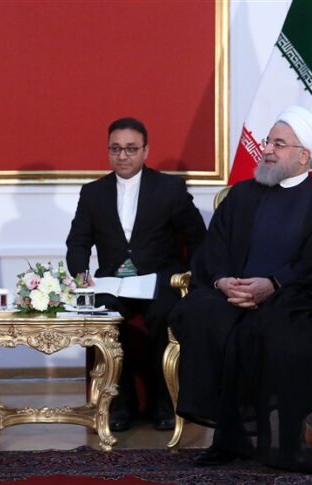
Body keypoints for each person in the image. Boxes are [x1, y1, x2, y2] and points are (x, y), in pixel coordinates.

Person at [170, 106, 312, 472]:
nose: (267, 149)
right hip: (235, 293)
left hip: (292, 296)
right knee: (197, 313)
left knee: (281, 328)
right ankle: (227, 439)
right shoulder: (241, 195)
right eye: (268, 141)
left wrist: (273, 284)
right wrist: (224, 281)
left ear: (304, 156)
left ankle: (289, 445)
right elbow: (213, 250)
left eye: (278, 144)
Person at [66, 117, 207, 431]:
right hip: (113, 283)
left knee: (162, 316)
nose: (123, 156)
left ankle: (164, 404)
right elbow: (77, 242)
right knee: (107, 317)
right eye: (115, 149)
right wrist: (81, 275)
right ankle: (119, 406)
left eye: (131, 149)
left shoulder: (169, 188)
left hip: (160, 281)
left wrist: (192, 277)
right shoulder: (93, 193)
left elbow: (198, 237)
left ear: (146, 151)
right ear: (108, 151)